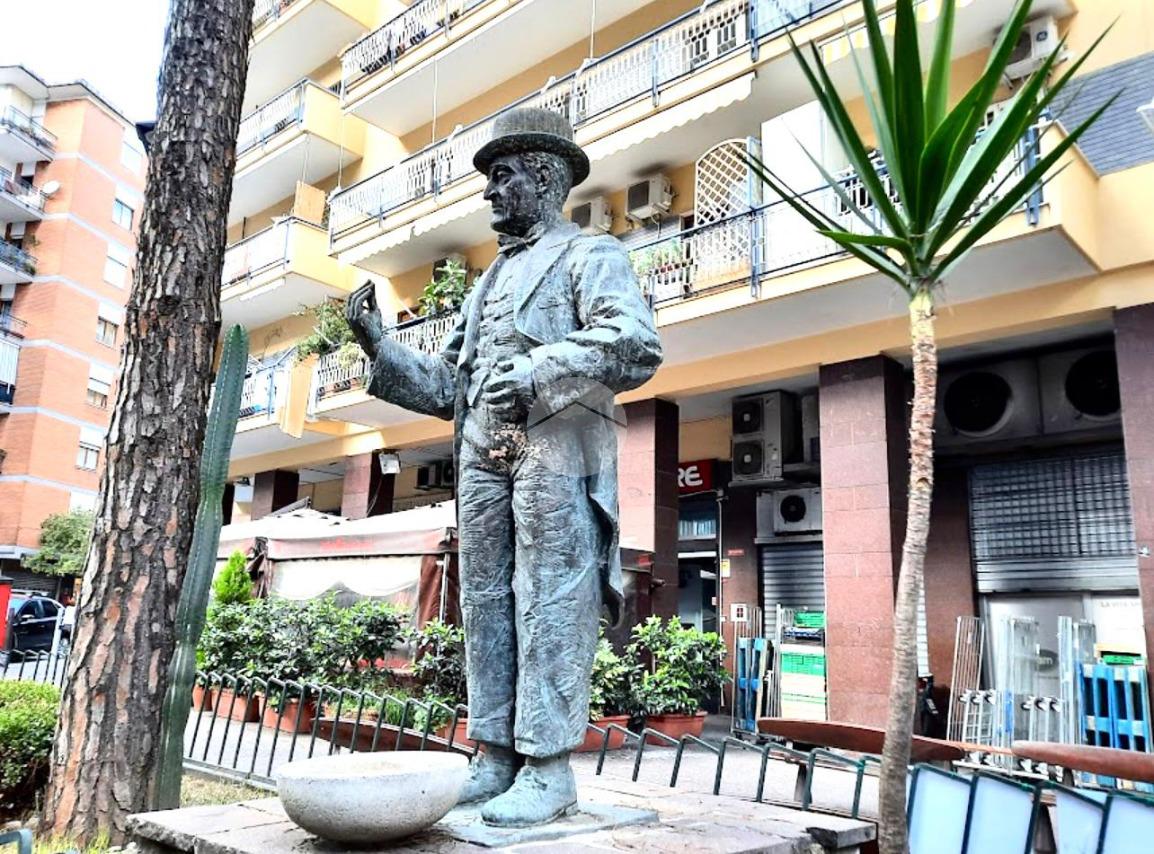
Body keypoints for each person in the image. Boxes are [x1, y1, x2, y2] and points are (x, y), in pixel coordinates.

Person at [346, 107, 662, 827]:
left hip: (554, 445)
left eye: (502, 176)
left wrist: (539, 368)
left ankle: (548, 769)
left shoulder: (590, 255)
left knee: (551, 598)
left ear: (544, 178)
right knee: (486, 600)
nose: (489, 191)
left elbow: (635, 343)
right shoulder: (489, 279)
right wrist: (378, 346)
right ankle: (494, 755)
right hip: (483, 453)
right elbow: (446, 387)